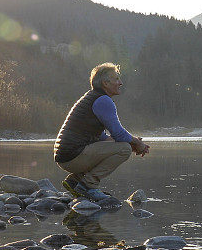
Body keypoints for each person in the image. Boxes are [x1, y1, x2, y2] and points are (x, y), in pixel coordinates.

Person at [54, 62, 150, 202]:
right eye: (116, 79)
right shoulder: (103, 100)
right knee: (124, 149)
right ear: (105, 83)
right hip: (72, 156)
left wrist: (133, 142)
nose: (120, 83)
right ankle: (88, 185)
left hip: (66, 157)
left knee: (125, 145)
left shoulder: (93, 97)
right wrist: (135, 142)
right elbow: (118, 134)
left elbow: (103, 138)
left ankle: (75, 181)